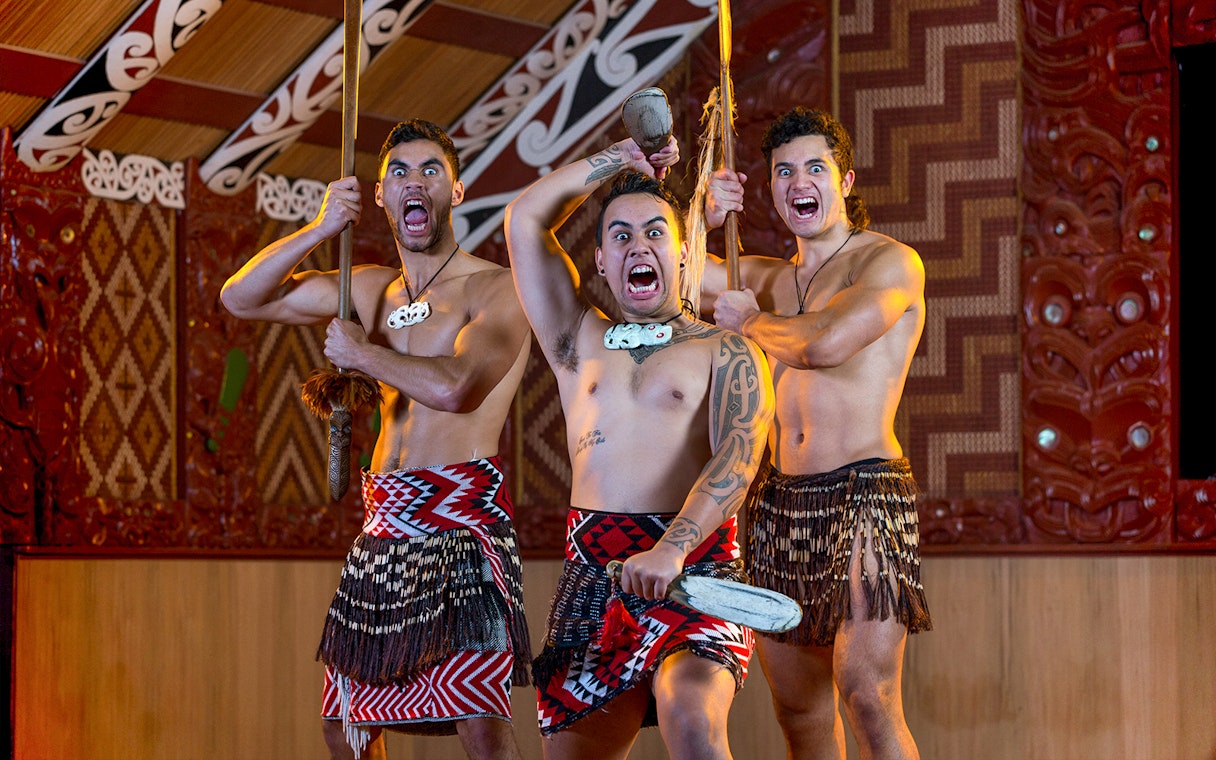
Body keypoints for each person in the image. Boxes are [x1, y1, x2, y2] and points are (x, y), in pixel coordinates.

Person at [220, 119, 533, 760]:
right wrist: (320, 230)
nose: (414, 183)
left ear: (458, 190)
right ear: (382, 198)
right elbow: (241, 299)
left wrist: (363, 354)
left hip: (459, 527)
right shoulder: (367, 287)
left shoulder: (495, 289)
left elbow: (456, 389)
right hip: (382, 531)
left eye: (430, 171)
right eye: (399, 173)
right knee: (345, 727)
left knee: (479, 724)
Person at [503, 135, 774, 760]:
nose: (638, 246)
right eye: (620, 236)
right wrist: (619, 161)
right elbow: (523, 219)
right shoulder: (577, 338)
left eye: (656, 231)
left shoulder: (725, 350)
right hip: (594, 576)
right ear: (600, 260)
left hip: (693, 566)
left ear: (683, 253)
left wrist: (672, 549)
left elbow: (737, 460)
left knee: (692, 722)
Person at [702, 106, 933, 760]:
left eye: (814, 168)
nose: (798, 181)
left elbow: (827, 343)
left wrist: (748, 322)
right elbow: (668, 274)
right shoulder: (767, 280)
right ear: (769, 190)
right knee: (800, 713)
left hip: (865, 493)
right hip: (778, 504)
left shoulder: (887, 263)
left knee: (866, 693)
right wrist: (703, 220)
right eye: (782, 171)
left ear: (846, 181)